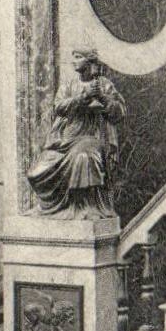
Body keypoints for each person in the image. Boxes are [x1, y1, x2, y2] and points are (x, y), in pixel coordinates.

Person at [27, 46, 127, 218]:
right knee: (36, 171)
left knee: (83, 157)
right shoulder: (69, 85)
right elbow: (58, 107)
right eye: (73, 56)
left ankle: (86, 208)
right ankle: (47, 208)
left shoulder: (104, 84)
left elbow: (120, 112)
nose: (74, 60)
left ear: (89, 61)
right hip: (65, 140)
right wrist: (82, 98)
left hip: (92, 136)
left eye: (78, 57)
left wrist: (102, 98)